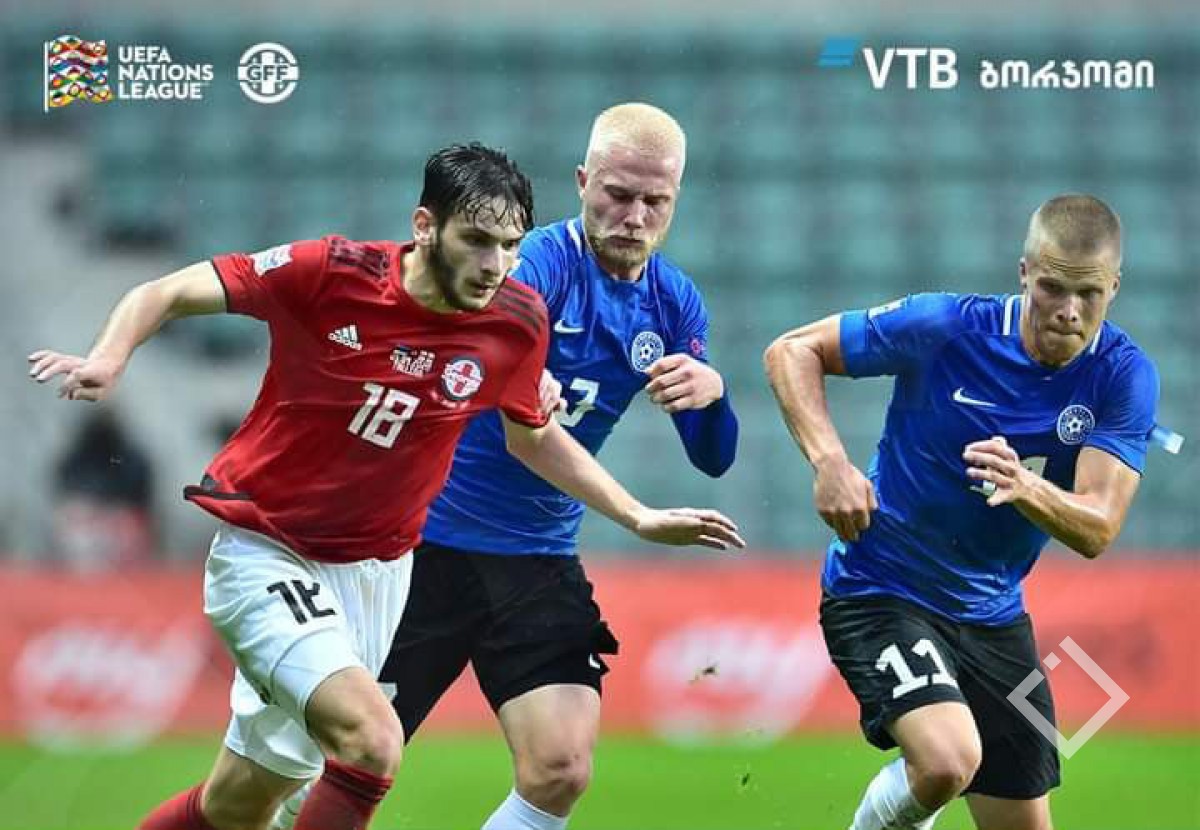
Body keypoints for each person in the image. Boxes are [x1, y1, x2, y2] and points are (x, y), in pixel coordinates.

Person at [28, 142, 743, 830]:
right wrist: (110, 356)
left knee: (238, 806)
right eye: (477, 241)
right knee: (372, 743)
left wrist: (637, 515)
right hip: (271, 551)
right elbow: (170, 289)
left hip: (381, 575)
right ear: (424, 226)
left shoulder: (518, 322)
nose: (495, 266)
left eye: (508, 247)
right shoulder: (331, 272)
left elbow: (532, 437)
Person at [270, 102, 738, 830]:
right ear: (583, 182)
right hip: (425, 547)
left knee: (562, 769)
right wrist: (515, 371)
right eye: (618, 194)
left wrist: (713, 394)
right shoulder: (536, 265)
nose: (634, 216)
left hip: (536, 556)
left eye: (655, 201)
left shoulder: (673, 302)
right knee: (342, 765)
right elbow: (493, 366)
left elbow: (712, 458)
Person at [763, 194, 1158, 830]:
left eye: (1088, 293)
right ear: (1024, 273)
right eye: (1052, 287)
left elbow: (1099, 527)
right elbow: (790, 351)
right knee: (948, 760)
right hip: (880, 589)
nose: (1068, 310)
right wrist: (830, 462)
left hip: (994, 618)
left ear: (1114, 286)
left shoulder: (1123, 376)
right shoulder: (946, 327)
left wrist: (1027, 488)